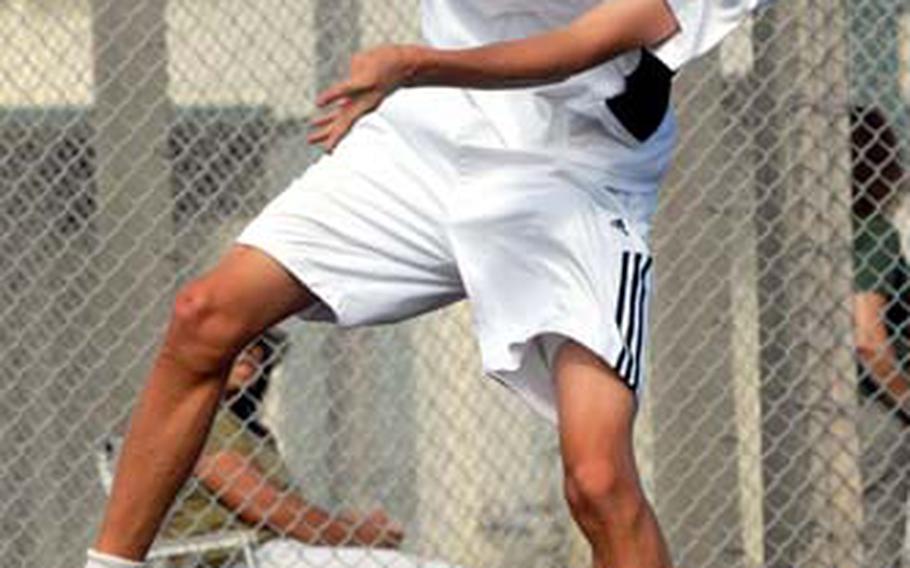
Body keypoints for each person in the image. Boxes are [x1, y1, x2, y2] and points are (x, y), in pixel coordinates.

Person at [84, 2, 772, 568]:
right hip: (431, 135)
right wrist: (418, 79)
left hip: (573, 179)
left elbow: (583, 42)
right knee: (205, 314)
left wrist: (415, 64)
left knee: (598, 481)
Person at [158, 329, 403, 568]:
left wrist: (351, 527)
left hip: (273, 550)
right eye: (237, 343)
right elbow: (269, 508)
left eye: (257, 345)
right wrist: (358, 535)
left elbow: (290, 513)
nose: (251, 352)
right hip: (230, 557)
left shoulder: (252, 431)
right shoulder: (202, 419)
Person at [850, 106, 910, 568]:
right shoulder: (874, 234)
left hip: (822, 404)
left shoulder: (825, 232)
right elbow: (867, 336)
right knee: (877, 542)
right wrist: (906, 397)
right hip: (877, 408)